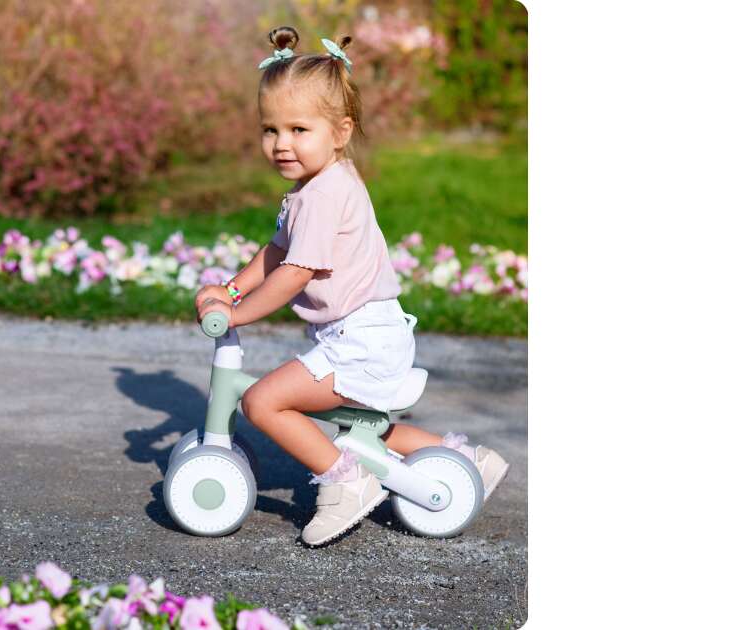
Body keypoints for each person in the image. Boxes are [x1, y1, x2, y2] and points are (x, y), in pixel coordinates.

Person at [193, 26, 509, 547]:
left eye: (299, 129)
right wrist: (229, 291)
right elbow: (276, 251)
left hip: (361, 342)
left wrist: (239, 314)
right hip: (367, 333)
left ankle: (346, 484)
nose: (282, 143)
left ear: (339, 132)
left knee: (263, 402)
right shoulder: (318, 184)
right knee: (365, 428)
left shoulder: (322, 195)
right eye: (270, 130)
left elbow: (295, 271)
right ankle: (466, 460)